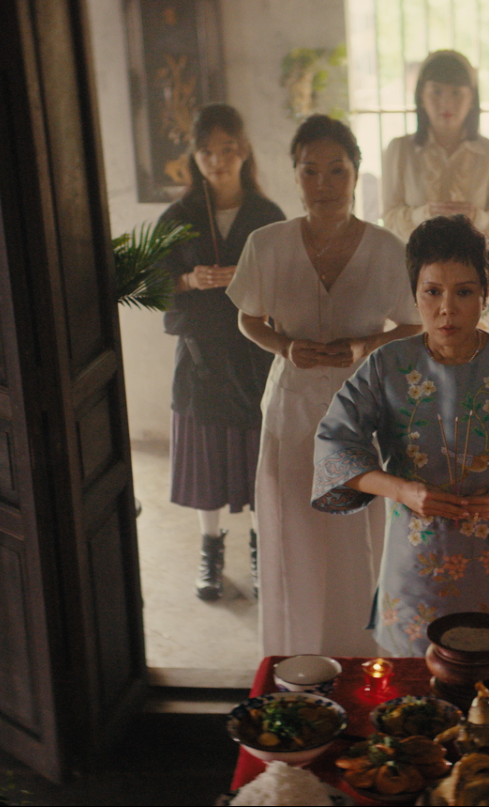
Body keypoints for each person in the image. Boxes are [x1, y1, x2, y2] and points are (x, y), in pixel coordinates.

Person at [312, 215, 489, 656]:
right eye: (432, 292)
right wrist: (401, 490)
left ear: (485, 293)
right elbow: (334, 444)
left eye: (464, 292)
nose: (447, 308)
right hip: (415, 567)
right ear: (414, 293)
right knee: (415, 688)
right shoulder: (387, 365)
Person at [229, 115, 421, 657]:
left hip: (363, 410)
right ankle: (298, 658)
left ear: (356, 173)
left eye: (337, 170)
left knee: (359, 536)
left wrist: (365, 345)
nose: (324, 183)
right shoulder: (267, 244)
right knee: (295, 532)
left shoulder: (386, 248)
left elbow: (413, 324)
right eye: (310, 170)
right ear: (294, 176)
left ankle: (364, 657)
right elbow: (249, 317)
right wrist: (285, 347)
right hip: (292, 407)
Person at [155, 104, 287, 601]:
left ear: (244, 151)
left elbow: (288, 284)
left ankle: (259, 547)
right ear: (194, 155)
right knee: (206, 458)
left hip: (255, 356)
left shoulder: (267, 216)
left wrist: (250, 282)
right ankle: (210, 549)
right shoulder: (178, 216)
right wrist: (190, 280)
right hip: (200, 357)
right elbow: (152, 286)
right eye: (207, 151)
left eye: (227, 149)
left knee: (257, 458)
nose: (218, 161)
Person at [380, 50, 489, 248]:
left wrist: (475, 216)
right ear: (421, 96)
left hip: (472, 264)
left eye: (457, 93)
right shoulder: (400, 149)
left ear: (472, 98)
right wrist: (424, 215)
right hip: (415, 264)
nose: (446, 103)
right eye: (436, 92)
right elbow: (389, 221)